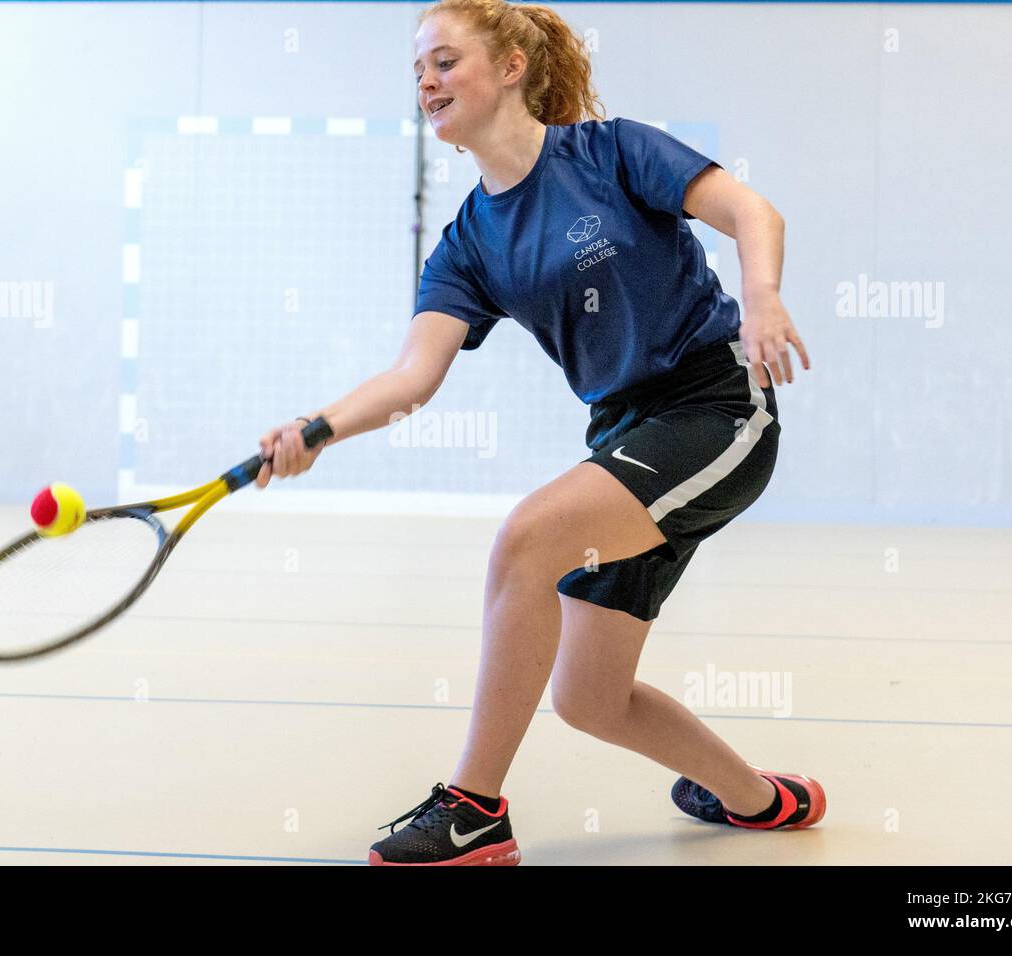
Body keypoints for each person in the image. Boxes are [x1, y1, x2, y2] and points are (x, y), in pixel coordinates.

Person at [256, 0, 819, 866]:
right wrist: (318, 426)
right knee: (591, 699)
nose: (426, 84)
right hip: (625, 434)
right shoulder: (469, 243)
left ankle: (474, 810)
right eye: (417, 73)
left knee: (529, 536)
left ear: (512, 66)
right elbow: (413, 377)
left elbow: (753, 211)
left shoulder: (612, 150)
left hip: (718, 410)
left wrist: (765, 299)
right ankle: (760, 801)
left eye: (444, 62)